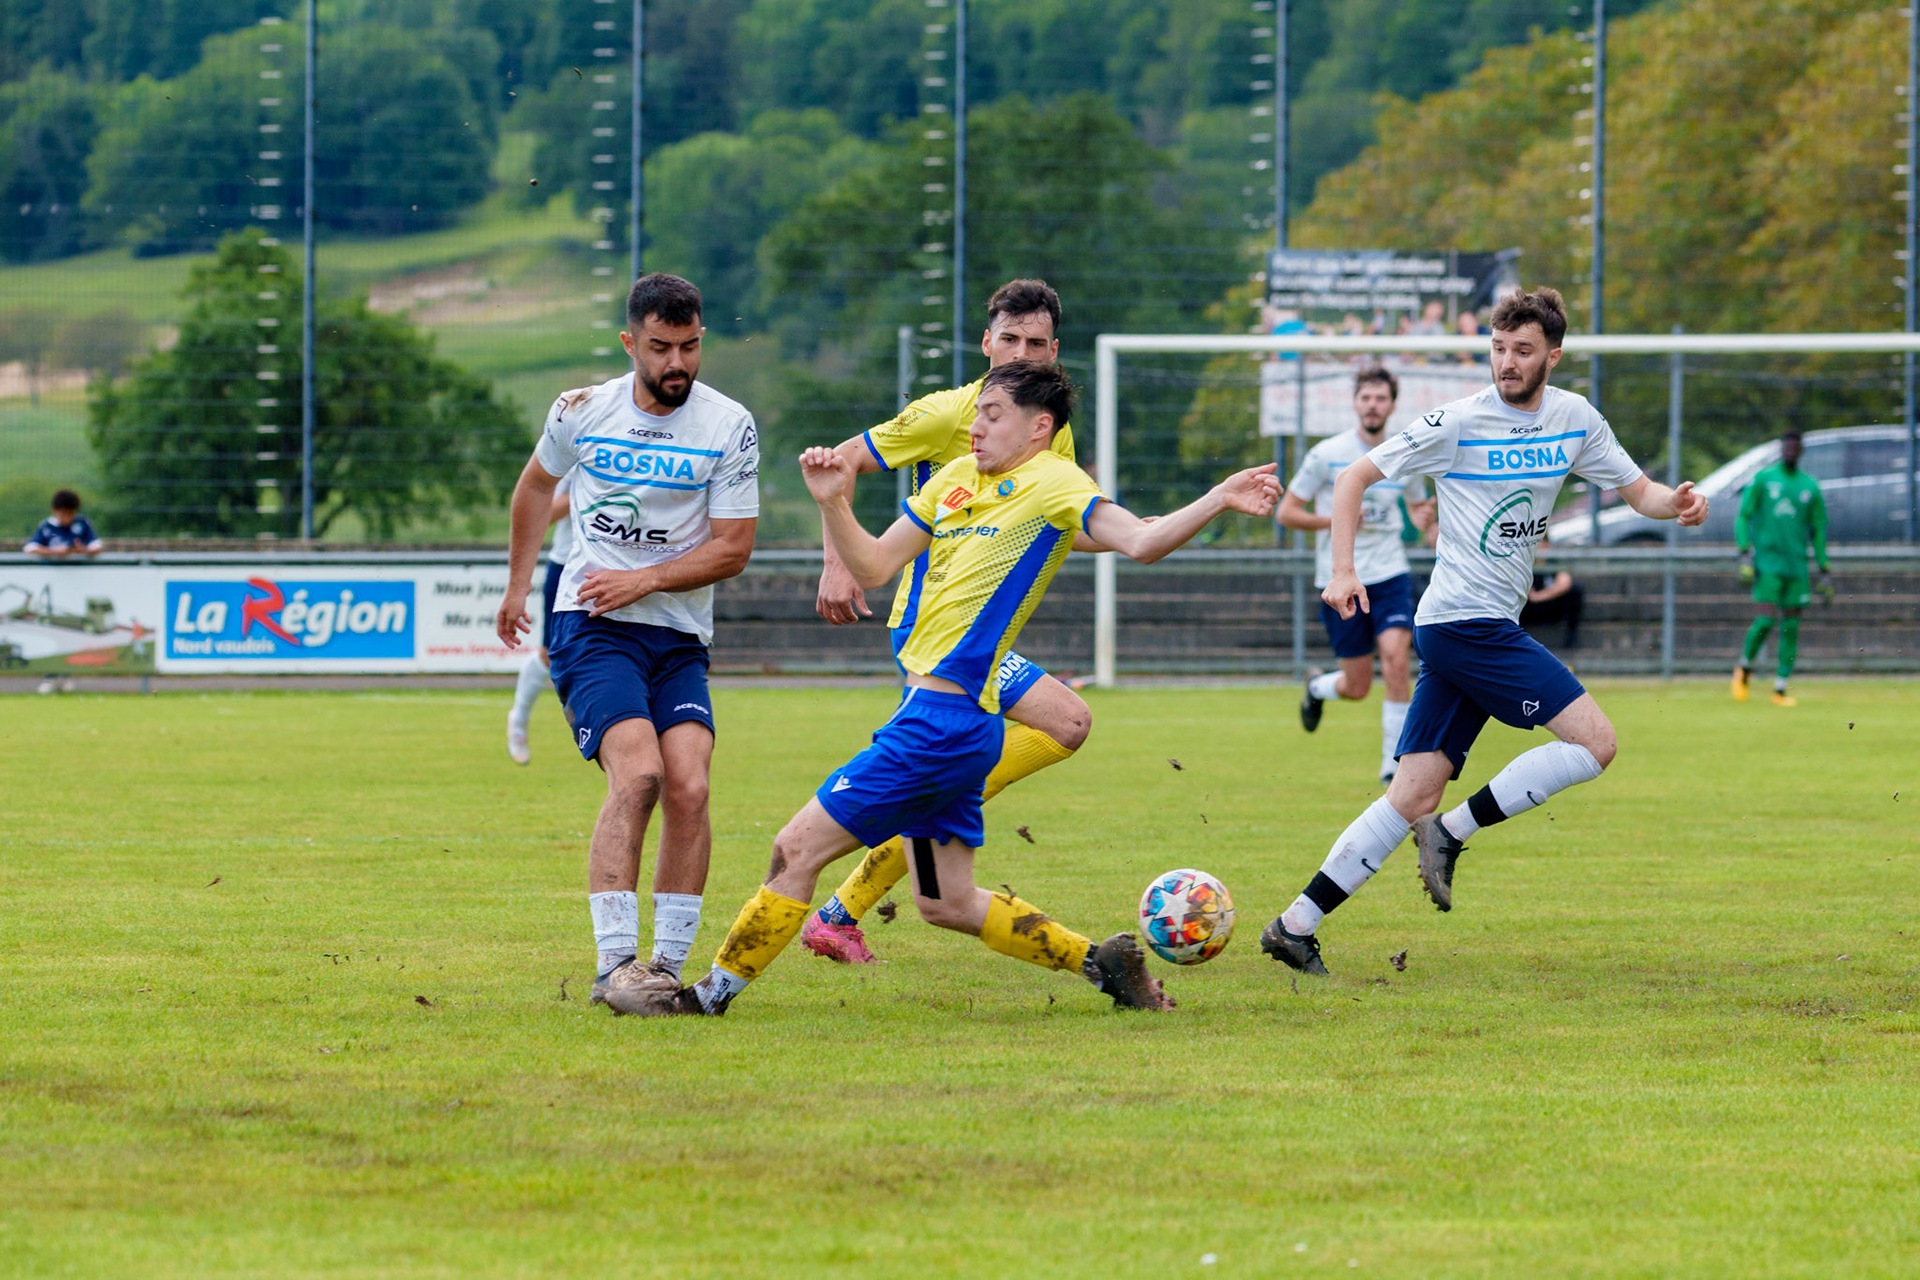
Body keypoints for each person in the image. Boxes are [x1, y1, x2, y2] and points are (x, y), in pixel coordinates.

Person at [607, 361, 1280, 1017]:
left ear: (1039, 427)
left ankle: (705, 999)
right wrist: (834, 501)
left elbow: (1142, 541)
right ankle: (1099, 965)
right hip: (960, 728)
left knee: (795, 849)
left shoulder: (1055, 483)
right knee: (946, 903)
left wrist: (1219, 496)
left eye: (992, 416)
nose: (975, 428)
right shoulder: (956, 477)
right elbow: (872, 564)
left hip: (940, 721)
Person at [1259, 287, 1708, 976]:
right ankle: (1453, 834)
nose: (1507, 362)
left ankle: (1295, 924)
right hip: (1466, 624)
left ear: (1552, 356)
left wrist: (1676, 503)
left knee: (1410, 793)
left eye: (1522, 351)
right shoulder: (1457, 421)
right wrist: (1343, 570)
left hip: (1467, 627)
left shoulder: (1575, 418)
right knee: (1596, 744)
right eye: (1498, 349)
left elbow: (1638, 490)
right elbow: (1352, 479)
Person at [801, 279, 1095, 965]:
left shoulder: (1045, 419)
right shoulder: (951, 413)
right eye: (1009, 339)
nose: (1020, 352)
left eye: (1035, 343)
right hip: (928, 627)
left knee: (1065, 726)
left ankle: (844, 910)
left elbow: (1057, 516)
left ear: (1054, 352)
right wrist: (837, 563)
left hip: (972, 631)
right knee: (1065, 722)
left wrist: (1127, 528)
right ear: (986, 342)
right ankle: (841, 907)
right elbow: (839, 460)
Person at [494, 272, 759, 1010]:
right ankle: (615, 966)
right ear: (629, 343)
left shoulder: (727, 424)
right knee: (639, 775)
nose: (678, 363)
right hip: (591, 626)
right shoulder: (581, 409)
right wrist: (518, 587)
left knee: (691, 784)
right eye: (661, 348)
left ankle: (665, 971)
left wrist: (644, 581)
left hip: (676, 636)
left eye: (691, 347)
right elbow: (533, 490)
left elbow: (734, 547)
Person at [1281, 366, 1432, 783]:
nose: (1373, 405)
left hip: (1390, 575)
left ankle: (1392, 764)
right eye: (1366, 397)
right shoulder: (1327, 454)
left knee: (1397, 659)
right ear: (1355, 403)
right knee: (1359, 685)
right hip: (1340, 579)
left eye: (1381, 398)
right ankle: (1318, 689)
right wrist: (1337, 517)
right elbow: (1287, 512)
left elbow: (1419, 509)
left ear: (1392, 405)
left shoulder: (1406, 454)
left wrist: (1426, 520)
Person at [1732, 430, 1829, 707]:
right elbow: (1744, 515)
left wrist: (1824, 566)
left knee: (1791, 626)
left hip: (1797, 565)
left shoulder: (1810, 486)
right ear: (1780, 450)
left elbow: (1819, 529)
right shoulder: (1764, 479)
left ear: (1800, 451)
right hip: (1768, 563)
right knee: (1765, 619)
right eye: (1785, 447)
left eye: (1794, 448)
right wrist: (1743, 553)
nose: (1789, 452)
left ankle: (1780, 687)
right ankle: (1744, 668)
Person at [506, 472, 574, 765]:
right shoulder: (580, 444)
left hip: (624, 566)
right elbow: (545, 512)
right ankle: (518, 720)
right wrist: (586, 495)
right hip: (568, 564)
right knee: (551, 653)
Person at [1519, 536, 1583, 651]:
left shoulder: (1553, 562)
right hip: (1527, 609)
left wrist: (1539, 596)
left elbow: (1565, 583)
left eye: (1541, 542)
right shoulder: (1523, 563)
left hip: (1549, 606)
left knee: (1575, 591)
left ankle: (1571, 638)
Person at [24, 490, 104, 558]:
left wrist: (82, 550)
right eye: (63, 514)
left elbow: (97, 546)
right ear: (54, 511)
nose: (67, 519)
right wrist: (54, 551)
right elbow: (30, 548)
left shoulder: (82, 523)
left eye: (70, 514)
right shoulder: (47, 526)